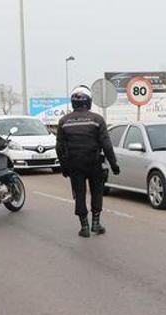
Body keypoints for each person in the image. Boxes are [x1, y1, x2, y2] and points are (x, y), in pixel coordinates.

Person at [56, 85, 120, 238]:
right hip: (94, 163)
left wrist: (64, 167)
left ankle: (84, 227)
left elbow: (59, 147)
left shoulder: (64, 121)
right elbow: (106, 144)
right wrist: (113, 164)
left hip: (74, 165)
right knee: (97, 193)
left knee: (79, 194)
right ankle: (96, 224)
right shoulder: (97, 120)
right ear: (89, 101)